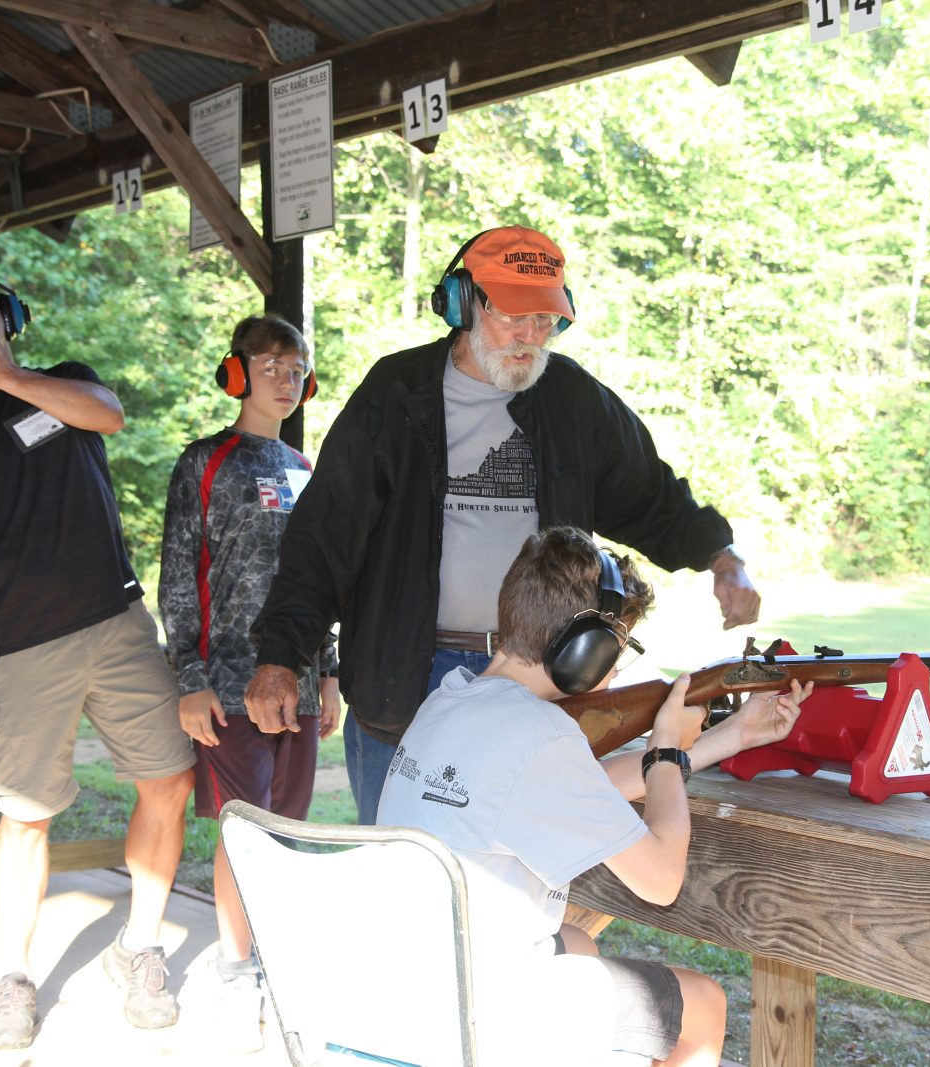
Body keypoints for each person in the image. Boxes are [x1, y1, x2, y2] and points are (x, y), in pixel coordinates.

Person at [245, 224, 761, 823]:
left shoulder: (571, 398)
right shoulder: (397, 392)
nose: (529, 337)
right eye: (513, 316)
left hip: (541, 676)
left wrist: (723, 557)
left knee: (524, 857)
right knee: (401, 864)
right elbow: (325, 536)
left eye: (545, 321)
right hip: (411, 676)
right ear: (464, 304)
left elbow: (650, 496)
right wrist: (281, 655)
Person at [0, 265, 195, 1050]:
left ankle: (141, 946)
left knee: (168, 781)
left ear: (8, 315)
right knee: (25, 817)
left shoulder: (61, 381)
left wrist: (8, 375)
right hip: (20, 642)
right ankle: (14, 977)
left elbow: (110, 416)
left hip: (117, 621)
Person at [376, 527, 808, 1066]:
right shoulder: (541, 736)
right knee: (703, 1003)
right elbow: (660, 880)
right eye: (618, 648)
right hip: (482, 1012)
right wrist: (667, 748)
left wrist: (733, 736)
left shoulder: (452, 700)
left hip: (409, 984)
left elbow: (582, 790)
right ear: (586, 650)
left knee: (578, 944)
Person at [157, 313, 339, 1049]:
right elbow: (177, 574)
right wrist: (190, 678)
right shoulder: (206, 461)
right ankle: (236, 971)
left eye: (297, 368)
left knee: (286, 830)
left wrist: (327, 674)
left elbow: (322, 584)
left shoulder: (305, 470)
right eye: (270, 365)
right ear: (236, 373)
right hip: (228, 685)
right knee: (244, 830)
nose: (285, 379)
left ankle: (271, 957)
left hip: (296, 684)